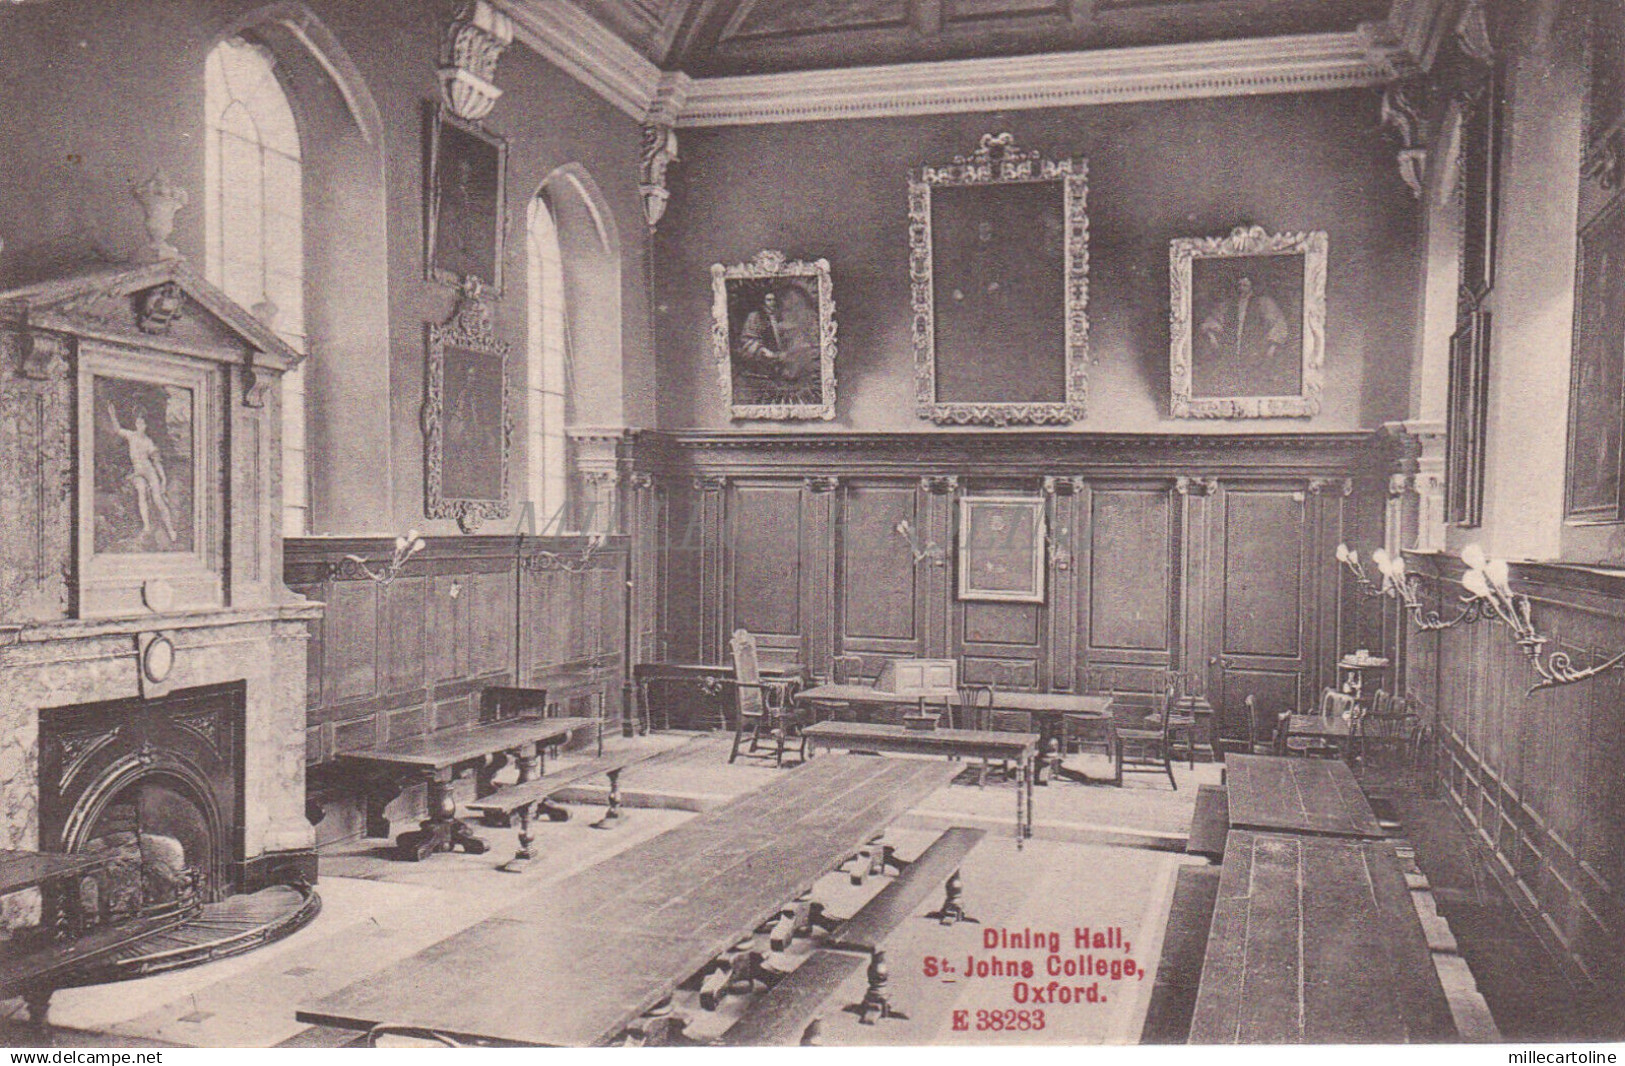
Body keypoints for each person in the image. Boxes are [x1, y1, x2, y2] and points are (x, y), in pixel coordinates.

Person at [107, 401, 177, 546]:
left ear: (145, 426)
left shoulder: (148, 442)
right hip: (138, 473)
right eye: (138, 423)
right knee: (141, 492)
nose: (140, 426)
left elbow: (157, 462)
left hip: (150, 472)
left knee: (158, 500)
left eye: (143, 424)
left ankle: (170, 529)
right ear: (136, 424)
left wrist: (163, 480)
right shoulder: (131, 436)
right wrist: (112, 415)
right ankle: (146, 526)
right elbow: (117, 429)